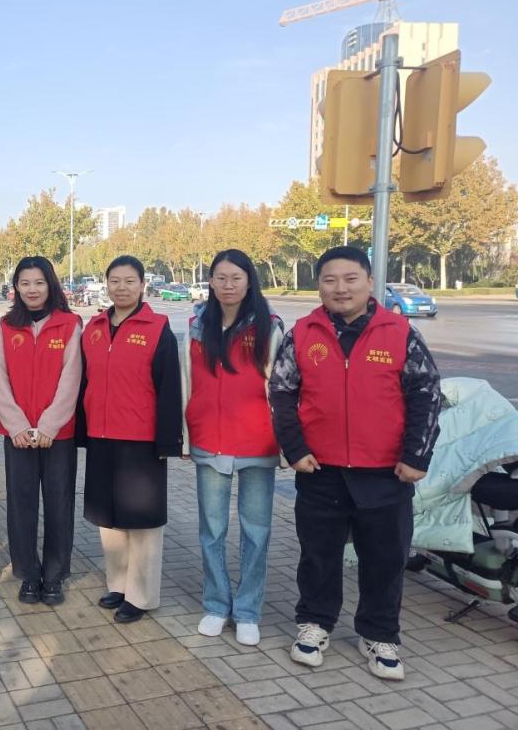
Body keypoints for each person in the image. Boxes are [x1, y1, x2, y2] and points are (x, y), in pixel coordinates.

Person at [269, 246, 441, 681]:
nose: (340, 288)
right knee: (318, 555)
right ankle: (315, 623)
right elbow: (282, 393)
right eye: (330, 280)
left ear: (368, 282)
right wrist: (295, 449)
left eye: (350, 279)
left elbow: (426, 394)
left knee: (385, 558)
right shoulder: (302, 333)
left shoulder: (399, 332)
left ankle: (379, 635)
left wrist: (416, 455)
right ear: (319, 286)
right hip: (320, 470)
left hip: (386, 472)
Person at [182, 249, 283, 646]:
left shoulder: (269, 327)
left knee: (256, 531)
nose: (228, 285)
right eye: (221, 278)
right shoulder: (196, 327)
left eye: (236, 278)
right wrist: (186, 435)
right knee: (212, 529)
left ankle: (247, 610)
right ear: (210, 282)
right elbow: (187, 383)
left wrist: (287, 444)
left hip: (258, 441)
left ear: (249, 281)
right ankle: (216, 604)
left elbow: (281, 388)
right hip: (210, 440)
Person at [80, 255, 181, 623]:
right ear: (106, 284)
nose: (121, 287)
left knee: (142, 521)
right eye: (115, 281)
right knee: (109, 518)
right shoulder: (93, 328)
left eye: (129, 281)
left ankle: (141, 595)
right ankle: (119, 585)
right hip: (101, 435)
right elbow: (84, 382)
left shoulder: (157, 328)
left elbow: (169, 387)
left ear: (142, 285)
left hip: (141, 439)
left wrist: (168, 442)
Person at [0, 257, 82, 606]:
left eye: (39, 282)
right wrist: (16, 425)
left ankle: (54, 576)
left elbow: (71, 378)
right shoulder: (4, 328)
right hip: (17, 435)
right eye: (25, 283)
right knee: (21, 505)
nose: (32, 289)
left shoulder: (70, 325)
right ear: (16, 287)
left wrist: (49, 425)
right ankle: (28, 574)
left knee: (59, 505)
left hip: (58, 435)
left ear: (51, 285)